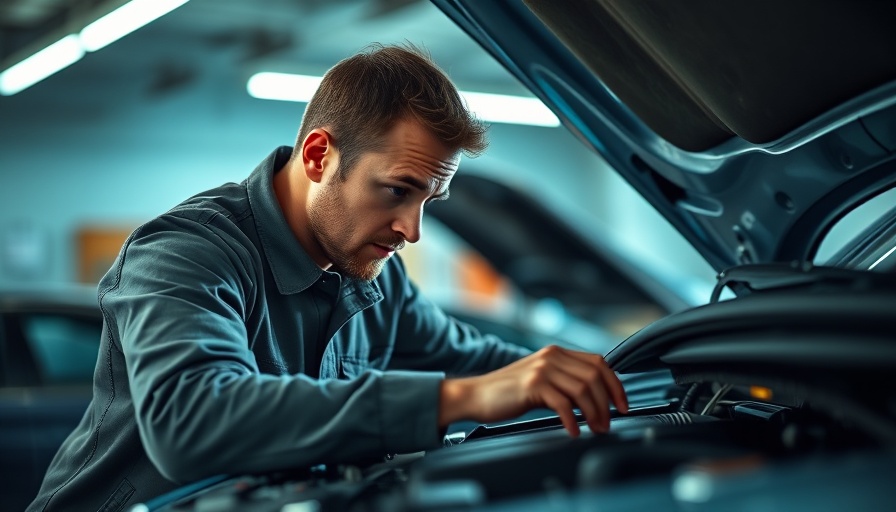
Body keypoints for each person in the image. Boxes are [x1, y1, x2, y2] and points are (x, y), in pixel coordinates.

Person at [28, 43, 628, 511]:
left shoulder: (374, 275)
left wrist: (603, 370)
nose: (411, 230)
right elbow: (193, 419)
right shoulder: (188, 252)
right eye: (397, 190)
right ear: (319, 156)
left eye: (429, 200)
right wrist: (459, 398)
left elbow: (477, 359)